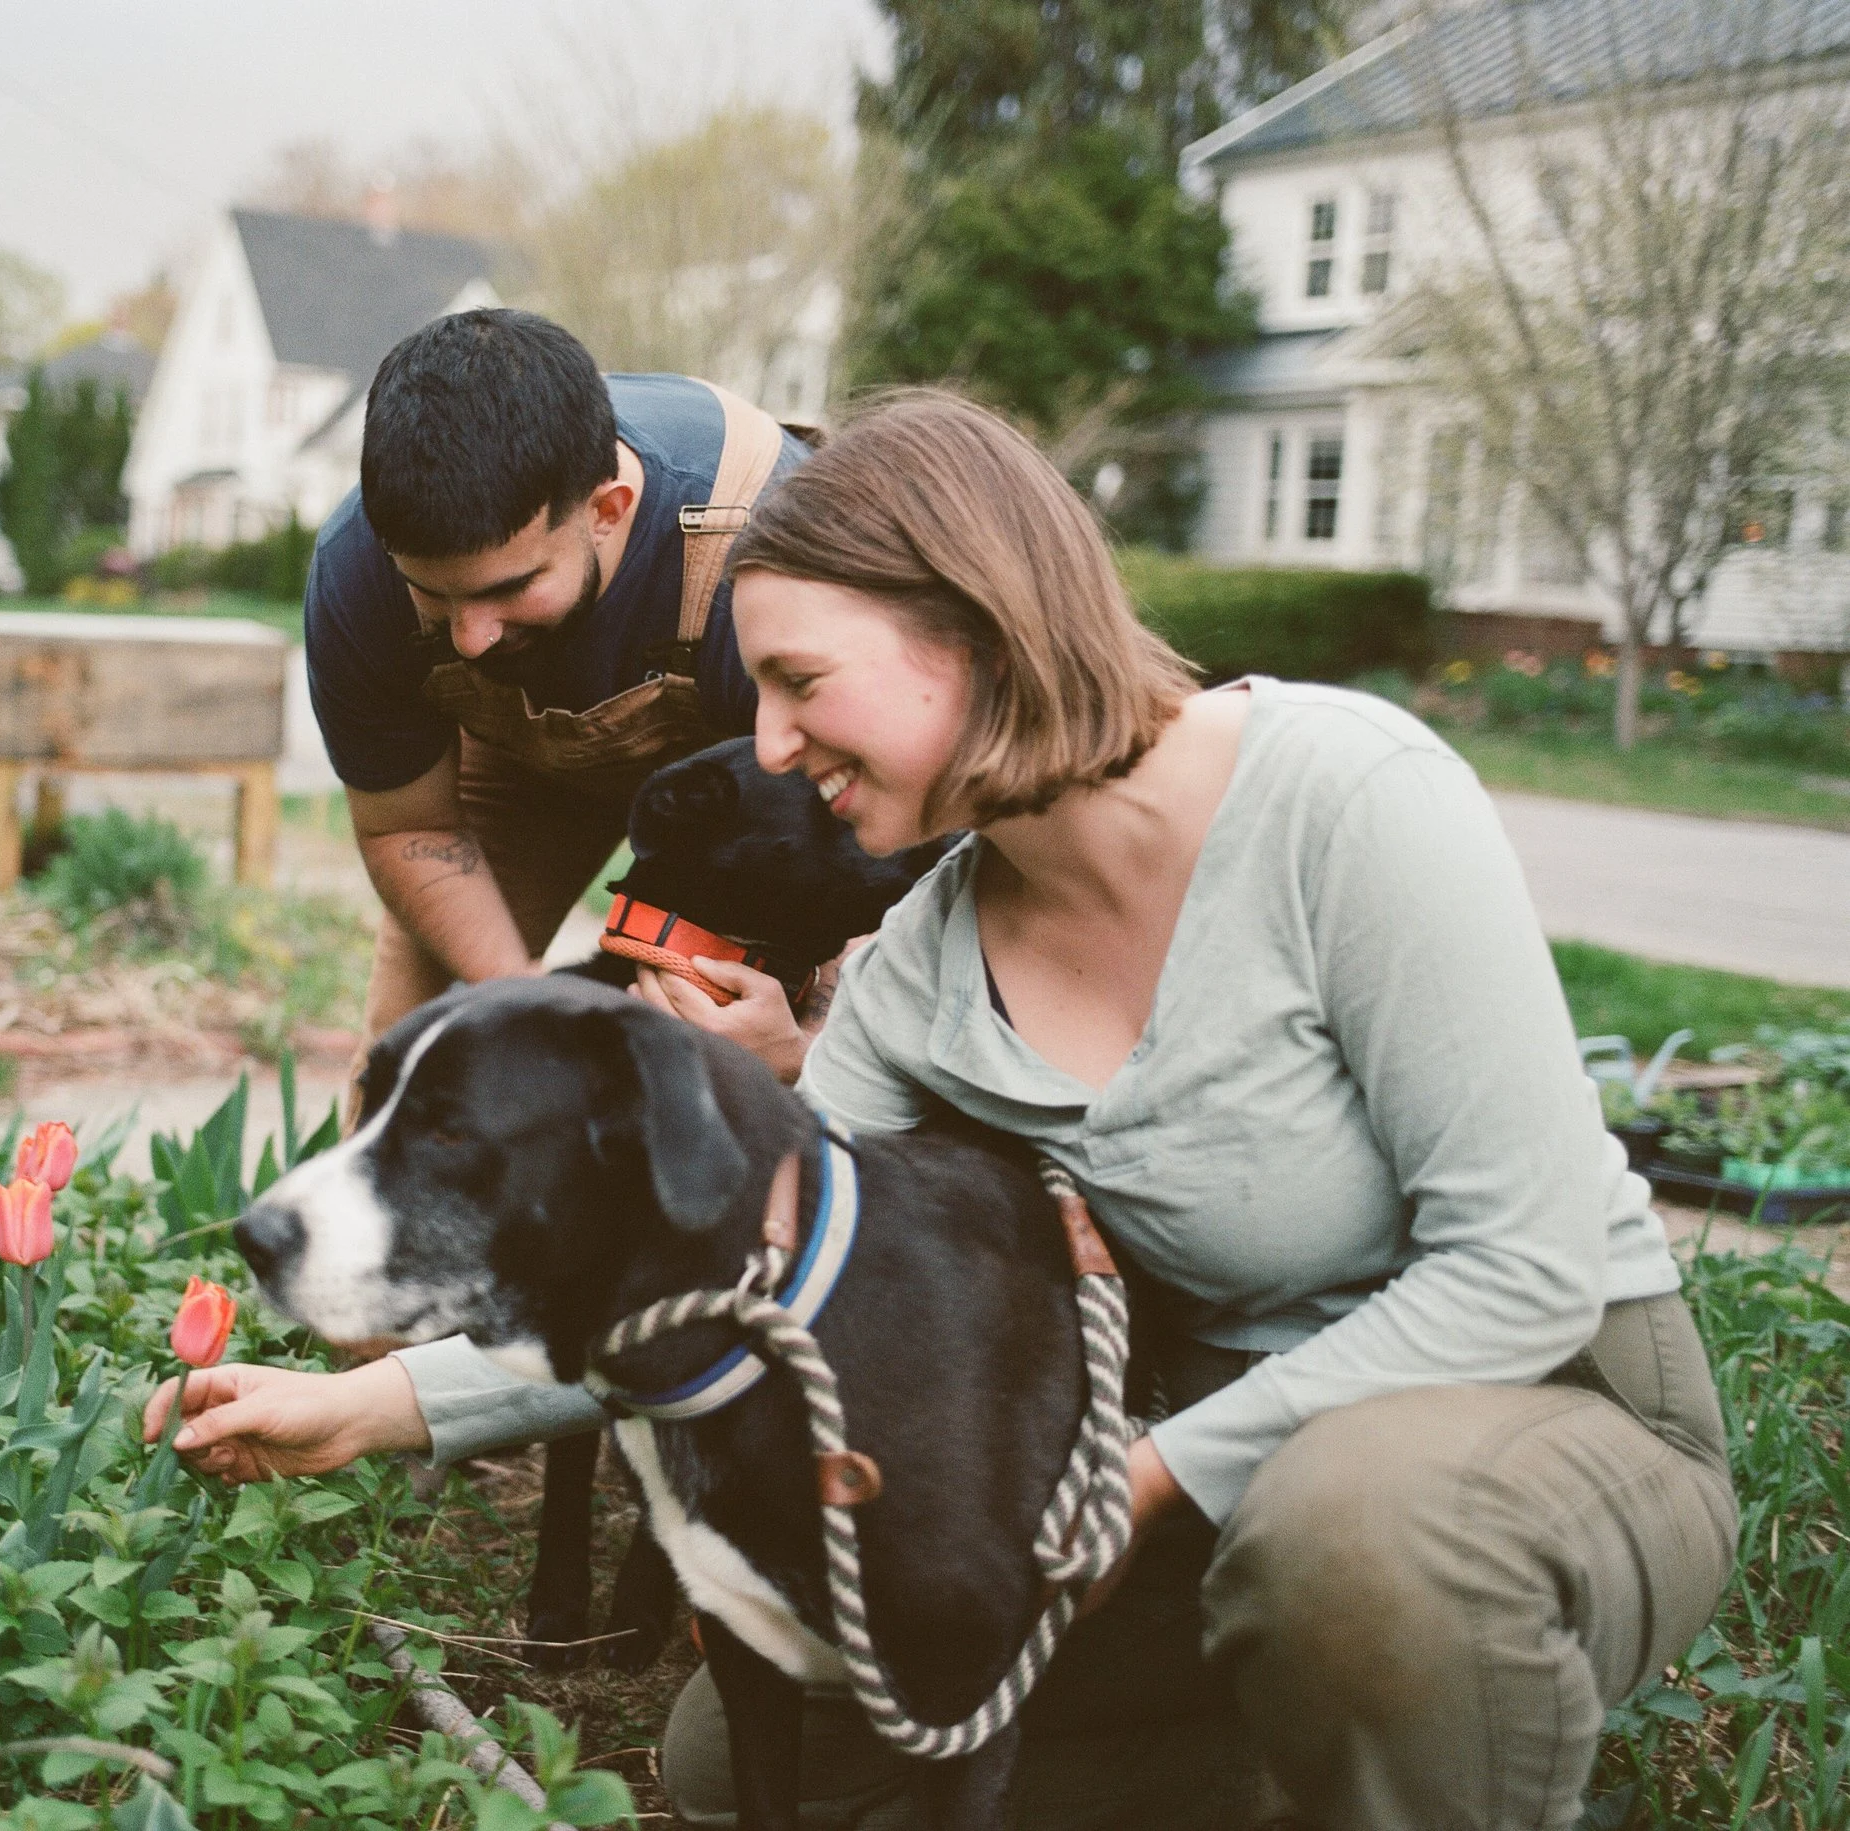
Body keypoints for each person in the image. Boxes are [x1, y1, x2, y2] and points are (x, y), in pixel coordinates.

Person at [170, 392, 1739, 1831]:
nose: (767, 744)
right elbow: (731, 1263)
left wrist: (1143, 1479)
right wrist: (368, 1408)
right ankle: (1313, 1747)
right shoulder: (927, 957)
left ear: (974, 625)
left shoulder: (1342, 795)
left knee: (1353, 1542)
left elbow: (1524, 1267)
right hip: (1220, 1471)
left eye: (800, 682)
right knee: (762, 1753)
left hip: (1532, 1409)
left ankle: (1418, 1709)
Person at [306, 307, 815, 1087]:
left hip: (767, 779)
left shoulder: (766, 554)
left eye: (509, 587)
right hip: (521, 768)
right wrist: (523, 1010)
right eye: (435, 594)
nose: (470, 638)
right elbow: (409, 826)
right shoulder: (359, 569)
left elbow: (885, 845)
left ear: (607, 511)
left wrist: (814, 1040)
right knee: (419, 1054)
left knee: (727, 1055)